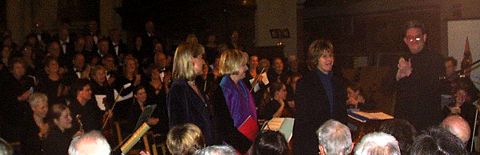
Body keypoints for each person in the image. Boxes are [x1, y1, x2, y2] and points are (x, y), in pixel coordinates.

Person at [292, 39, 348, 155]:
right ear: (316, 59)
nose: (329, 60)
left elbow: (341, 112)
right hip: (312, 139)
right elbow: (304, 117)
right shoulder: (304, 83)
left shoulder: (338, 82)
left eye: (330, 56)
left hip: (334, 139)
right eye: (324, 56)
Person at [393, 20, 444, 131]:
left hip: (426, 122)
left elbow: (433, 87)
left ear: (424, 38)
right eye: (410, 38)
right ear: (405, 40)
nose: (414, 41)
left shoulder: (435, 59)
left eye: (417, 38)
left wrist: (410, 73)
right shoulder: (401, 59)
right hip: (403, 122)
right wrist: (397, 76)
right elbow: (385, 88)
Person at [167, 43, 215, 145]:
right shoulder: (178, 89)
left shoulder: (195, 85)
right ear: (190, 60)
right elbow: (178, 130)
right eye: (201, 58)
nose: (203, 62)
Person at [212, 49, 258, 153]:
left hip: (246, 138)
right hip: (232, 145)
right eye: (243, 65)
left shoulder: (242, 85)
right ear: (234, 66)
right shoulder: (222, 90)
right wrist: (245, 146)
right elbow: (225, 127)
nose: (246, 68)